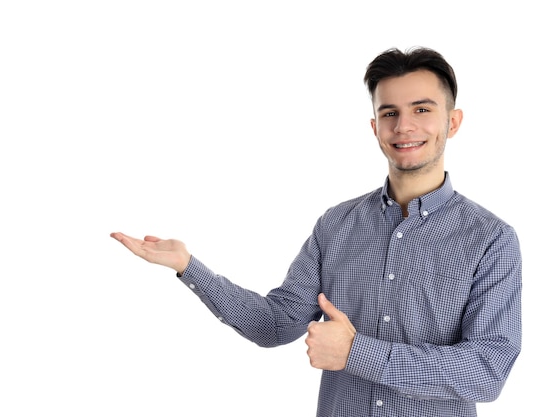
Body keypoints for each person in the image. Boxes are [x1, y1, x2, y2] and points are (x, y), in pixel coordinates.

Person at [111, 46, 522, 417]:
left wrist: (357, 352)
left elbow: (486, 371)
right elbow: (276, 324)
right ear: (375, 126)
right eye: (389, 113)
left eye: (422, 109)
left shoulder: (491, 240)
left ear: (452, 122)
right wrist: (188, 266)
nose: (403, 126)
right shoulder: (336, 225)